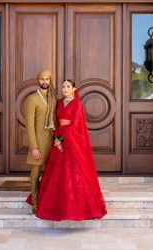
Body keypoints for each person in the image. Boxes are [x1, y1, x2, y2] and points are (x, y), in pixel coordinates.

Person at [31, 79, 107, 221]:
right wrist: (55, 138)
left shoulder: (77, 104)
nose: (65, 89)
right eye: (63, 86)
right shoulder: (59, 103)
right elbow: (55, 121)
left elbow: (75, 124)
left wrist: (61, 140)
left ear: (74, 89)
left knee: (73, 172)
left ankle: (75, 207)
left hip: (72, 141)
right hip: (58, 138)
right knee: (55, 172)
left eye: (68, 86)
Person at [24, 70, 57, 214]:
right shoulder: (32, 99)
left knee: (52, 173)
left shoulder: (53, 98)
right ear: (38, 80)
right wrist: (34, 147)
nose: (45, 82)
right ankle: (35, 203)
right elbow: (29, 125)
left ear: (50, 81)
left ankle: (50, 201)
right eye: (42, 79)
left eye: (47, 79)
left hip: (52, 142)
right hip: (38, 143)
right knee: (35, 175)